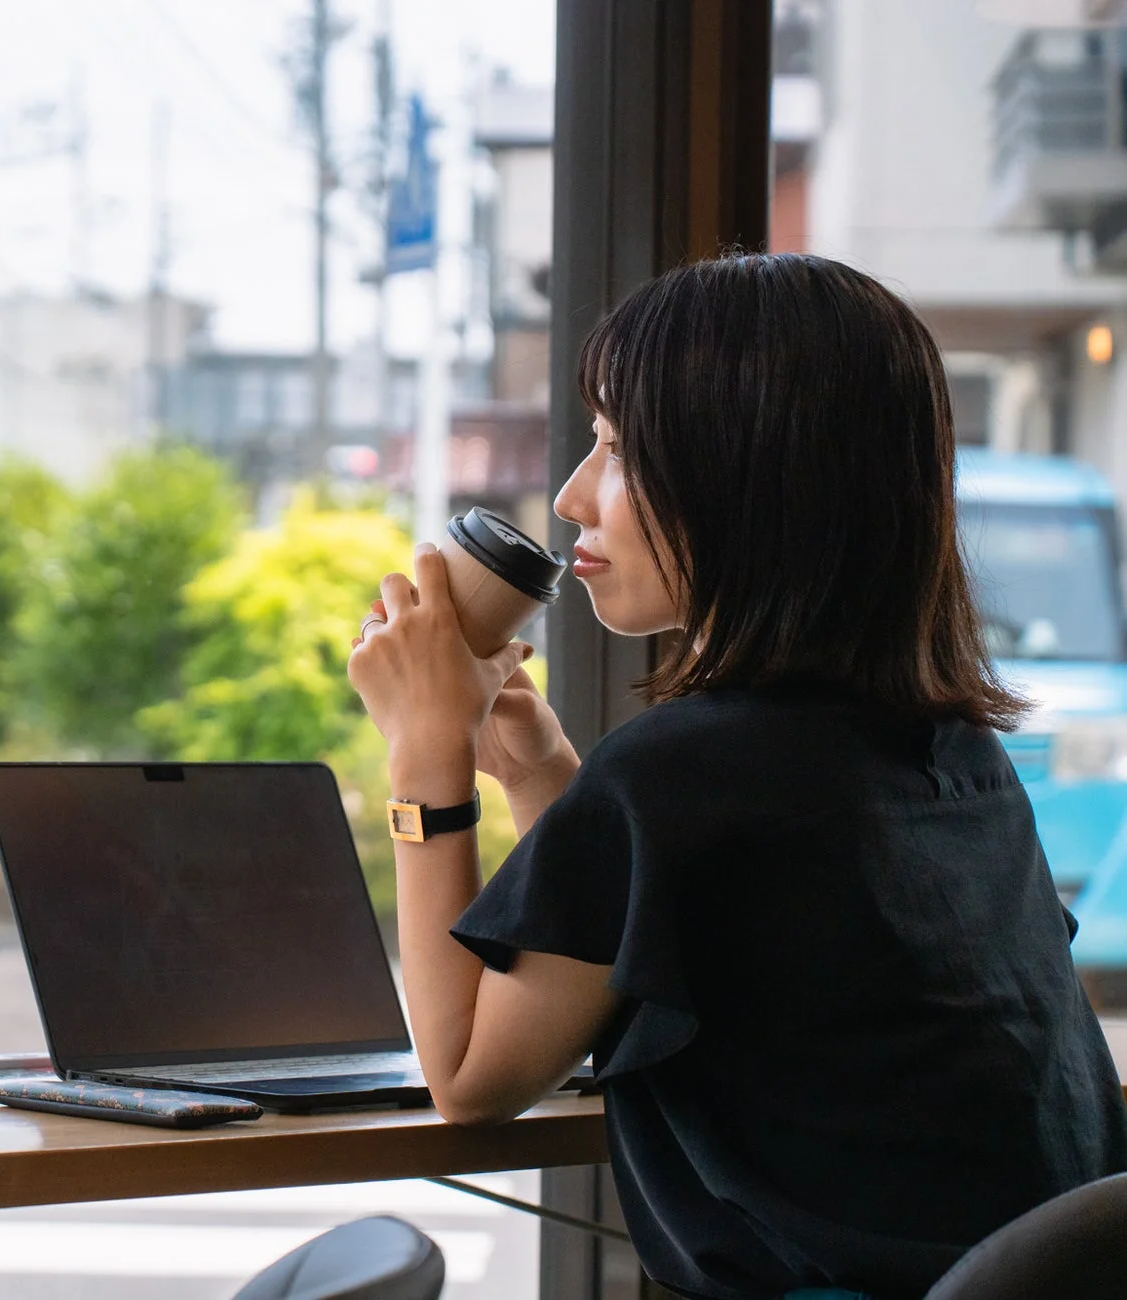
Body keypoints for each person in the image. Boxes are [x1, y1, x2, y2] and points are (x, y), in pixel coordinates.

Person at [347, 253, 1127, 1300]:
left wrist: (425, 758)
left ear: (750, 478)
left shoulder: (685, 773)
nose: (576, 494)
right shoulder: (945, 758)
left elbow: (469, 1077)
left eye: (619, 450)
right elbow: (648, 933)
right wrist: (547, 777)